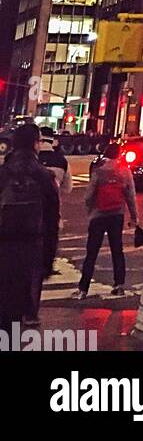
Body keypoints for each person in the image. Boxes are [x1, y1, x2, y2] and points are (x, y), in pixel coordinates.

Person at [0, 123, 60, 329]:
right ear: (36, 144)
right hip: (31, 250)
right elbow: (52, 223)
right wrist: (49, 260)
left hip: (3, 248)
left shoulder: (3, 173)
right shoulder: (44, 176)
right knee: (18, 315)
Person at [76, 142, 140, 299]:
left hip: (99, 215)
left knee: (91, 252)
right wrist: (134, 217)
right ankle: (119, 284)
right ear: (119, 154)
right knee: (117, 250)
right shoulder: (124, 172)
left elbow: (89, 195)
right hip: (117, 215)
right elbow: (130, 196)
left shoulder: (99, 171)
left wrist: (90, 212)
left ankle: (83, 289)